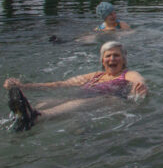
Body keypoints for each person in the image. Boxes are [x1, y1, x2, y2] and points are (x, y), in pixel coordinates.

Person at [4, 41, 148, 131]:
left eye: (116, 55)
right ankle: (20, 116)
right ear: (102, 60)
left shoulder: (127, 74)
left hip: (111, 100)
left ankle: (36, 117)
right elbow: (61, 84)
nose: (112, 59)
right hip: (85, 97)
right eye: (108, 56)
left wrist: (140, 86)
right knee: (47, 102)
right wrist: (24, 86)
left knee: (78, 102)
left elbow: (138, 80)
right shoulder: (95, 75)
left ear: (123, 59)